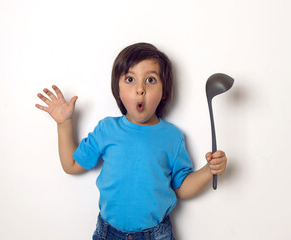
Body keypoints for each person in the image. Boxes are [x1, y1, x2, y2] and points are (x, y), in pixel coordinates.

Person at [35, 42, 227, 240]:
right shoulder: (107, 129)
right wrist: (64, 124)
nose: (140, 89)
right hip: (108, 233)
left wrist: (208, 170)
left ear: (164, 92)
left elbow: (182, 189)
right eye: (130, 79)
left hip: (156, 235)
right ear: (117, 89)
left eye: (150, 80)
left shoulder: (172, 137)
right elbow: (72, 164)